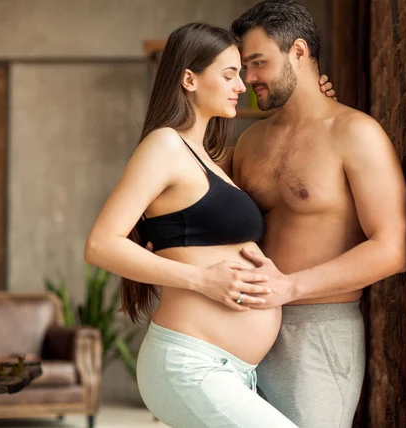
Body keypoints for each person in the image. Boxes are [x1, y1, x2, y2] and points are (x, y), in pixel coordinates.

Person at [84, 22, 333, 428]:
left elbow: (277, 154)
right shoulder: (164, 145)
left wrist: (312, 108)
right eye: (229, 74)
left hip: (229, 371)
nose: (242, 85)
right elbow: (101, 244)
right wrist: (203, 281)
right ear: (189, 78)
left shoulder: (208, 158)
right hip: (190, 364)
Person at [226, 1, 406, 427]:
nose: (249, 77)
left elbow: (392, 248)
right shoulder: (250, 142)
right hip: (244, 327)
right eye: (244, 66)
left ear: (299, 51)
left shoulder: (355, 134)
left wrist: (289, 287)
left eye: (258, 63)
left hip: (318, 332)